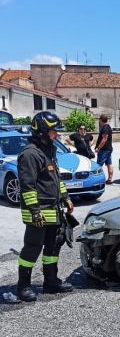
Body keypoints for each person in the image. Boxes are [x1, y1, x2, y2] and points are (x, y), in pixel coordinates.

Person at [16, 111, 74, 302]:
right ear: (41, 131)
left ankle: (51, 282)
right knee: (32, 248)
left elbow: (55, 179)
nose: (57, 134)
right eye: (53, 131)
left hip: (53, 208)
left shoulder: (49, 150)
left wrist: (65, 197)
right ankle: (23, 286)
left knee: (53, 246)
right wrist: (34, 212)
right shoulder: (30, 154)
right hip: (38, 211)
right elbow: (27, 186)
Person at [95, 114, 114, 184]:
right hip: (108, 149)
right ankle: (110, 179)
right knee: (109, 164)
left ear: (101, 120)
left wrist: (98, 147)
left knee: (98, 166)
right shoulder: (108, 127)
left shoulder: (105, 127)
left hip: (104, 150)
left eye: (99, 120)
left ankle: (97, 180)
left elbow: (104, 138)